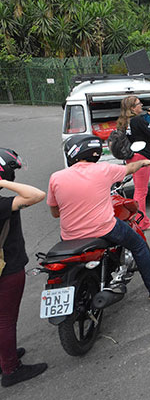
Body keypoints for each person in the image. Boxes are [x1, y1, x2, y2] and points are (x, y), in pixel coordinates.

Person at [48, 134, 150, 302]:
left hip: (69, 235)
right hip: (103, 228)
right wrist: (144, 162)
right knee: (138, 245)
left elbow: (55, 213)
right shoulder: (104, 170)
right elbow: (130, 168)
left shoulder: (56, 177)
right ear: (94, 152)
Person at [0, 148, 47, 388]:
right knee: (6, 320)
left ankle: (4, 356)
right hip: (8, 267)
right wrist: (4, 183)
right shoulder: (2, 204)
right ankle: (11, 369)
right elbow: (37, 195)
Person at [118, 95, 150, 231]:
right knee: (141, 192)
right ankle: (142, 223)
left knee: (140, 190)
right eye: (138, 103)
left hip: (132, 157)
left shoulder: (124, 121)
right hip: (141, 158)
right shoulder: (138, 120)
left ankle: (144, 219)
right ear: (132, 108)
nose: (141, 105)